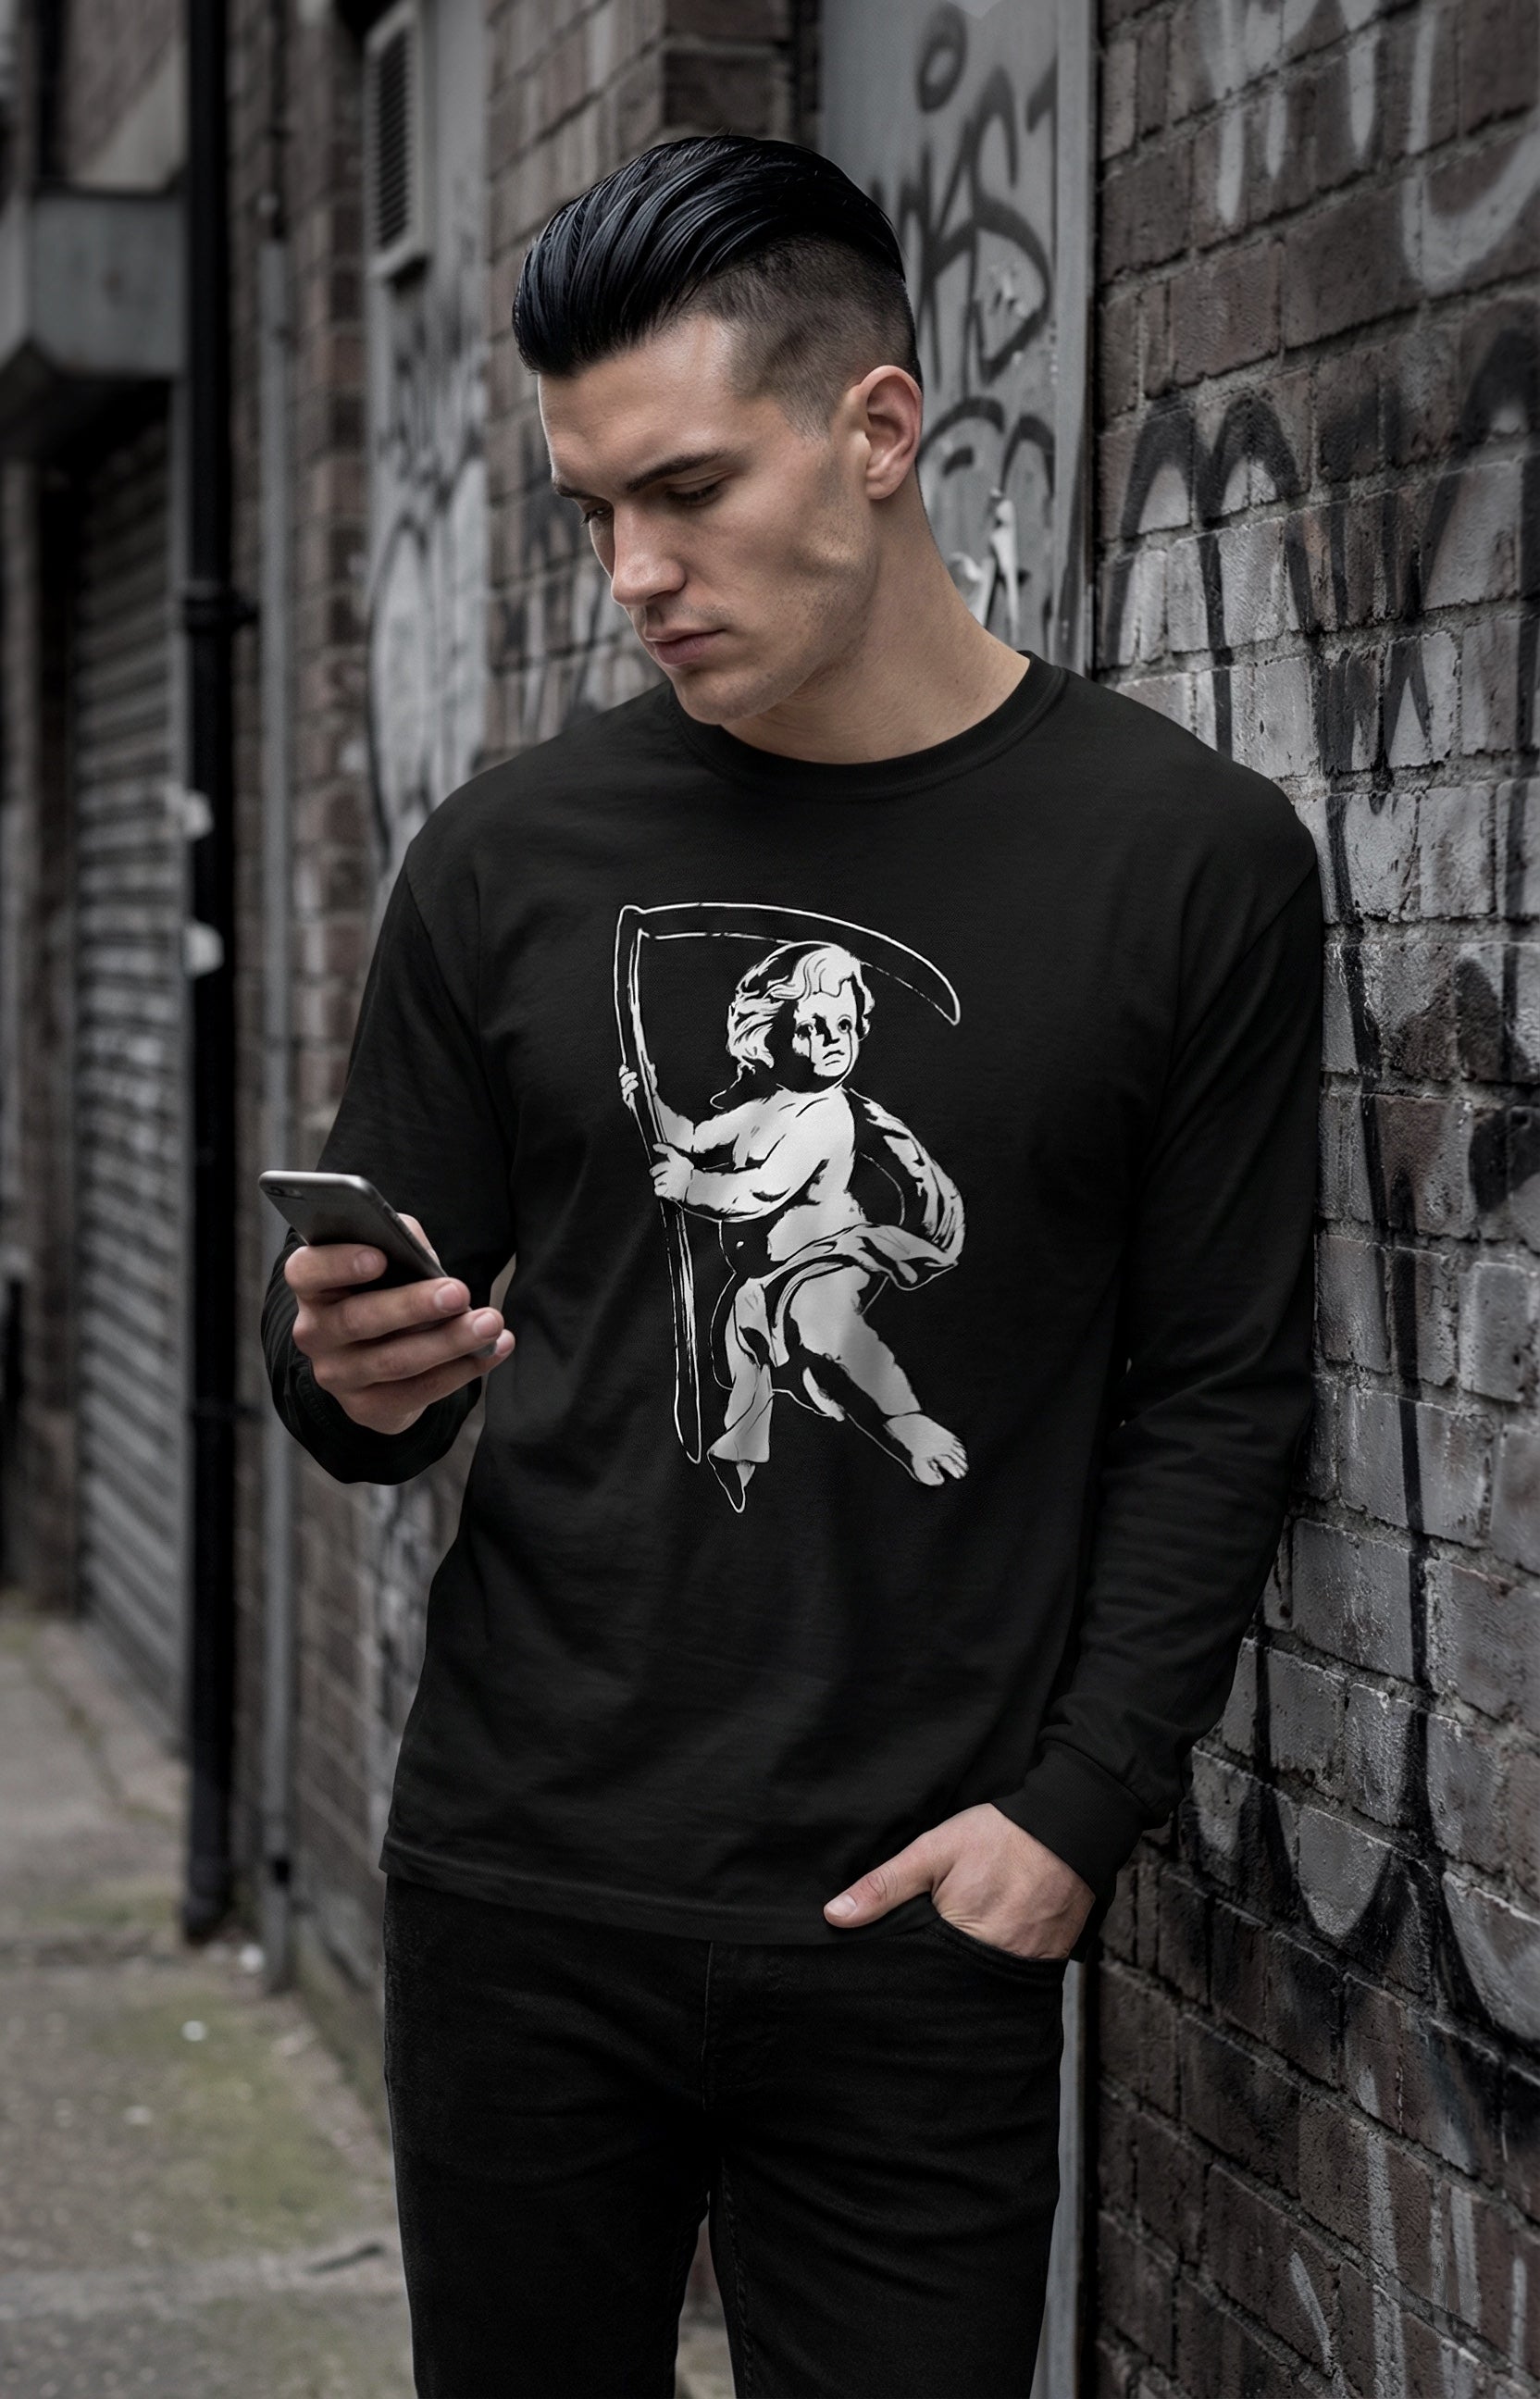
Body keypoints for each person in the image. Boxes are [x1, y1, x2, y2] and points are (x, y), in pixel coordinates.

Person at [262, 133, 1323, 2399]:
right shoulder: (509, 860)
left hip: (917, 1910)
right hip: (523, 1888)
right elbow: (376, 1356)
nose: (634, 574)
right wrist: (344, 1366)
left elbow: (1221, 1385)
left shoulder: (1185, 863)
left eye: (686, 491)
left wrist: (1068, 1821)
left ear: (875, 427)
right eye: (591, 514)